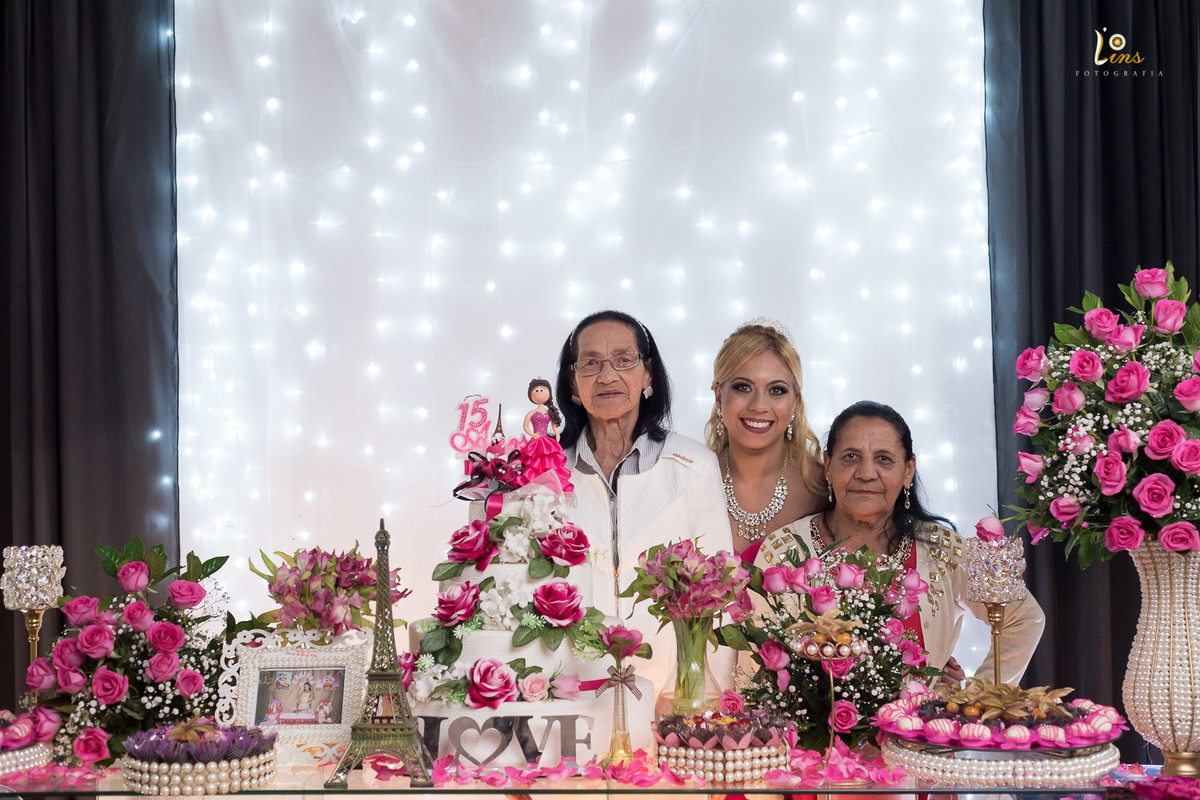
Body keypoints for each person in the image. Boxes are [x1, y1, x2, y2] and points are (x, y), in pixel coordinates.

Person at [755, 400, 1045, 684]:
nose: (866, 473)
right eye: (851, 457)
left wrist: (976, 698)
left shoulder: (941, 548)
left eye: (884, 459)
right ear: (828, 465)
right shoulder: (785, 550)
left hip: (918, 731)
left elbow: (1024, 618)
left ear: (908, 471)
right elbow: (755, 657)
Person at [555, 310, 733, 694]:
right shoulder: (545, 475)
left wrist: (698, 695)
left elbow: (719, 593)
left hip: (668, 696)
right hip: (571, 696)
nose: (607, 376)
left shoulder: (694, 466)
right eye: (590, 363)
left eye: (624, 360)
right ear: (572, 381)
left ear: (647, 373)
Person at [707, 319, 827, 564]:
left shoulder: (825, 487)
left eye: (776, 390)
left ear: (794, 401)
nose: (759, 406)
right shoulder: (692, 479)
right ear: (719, 396)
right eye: (743, 387)